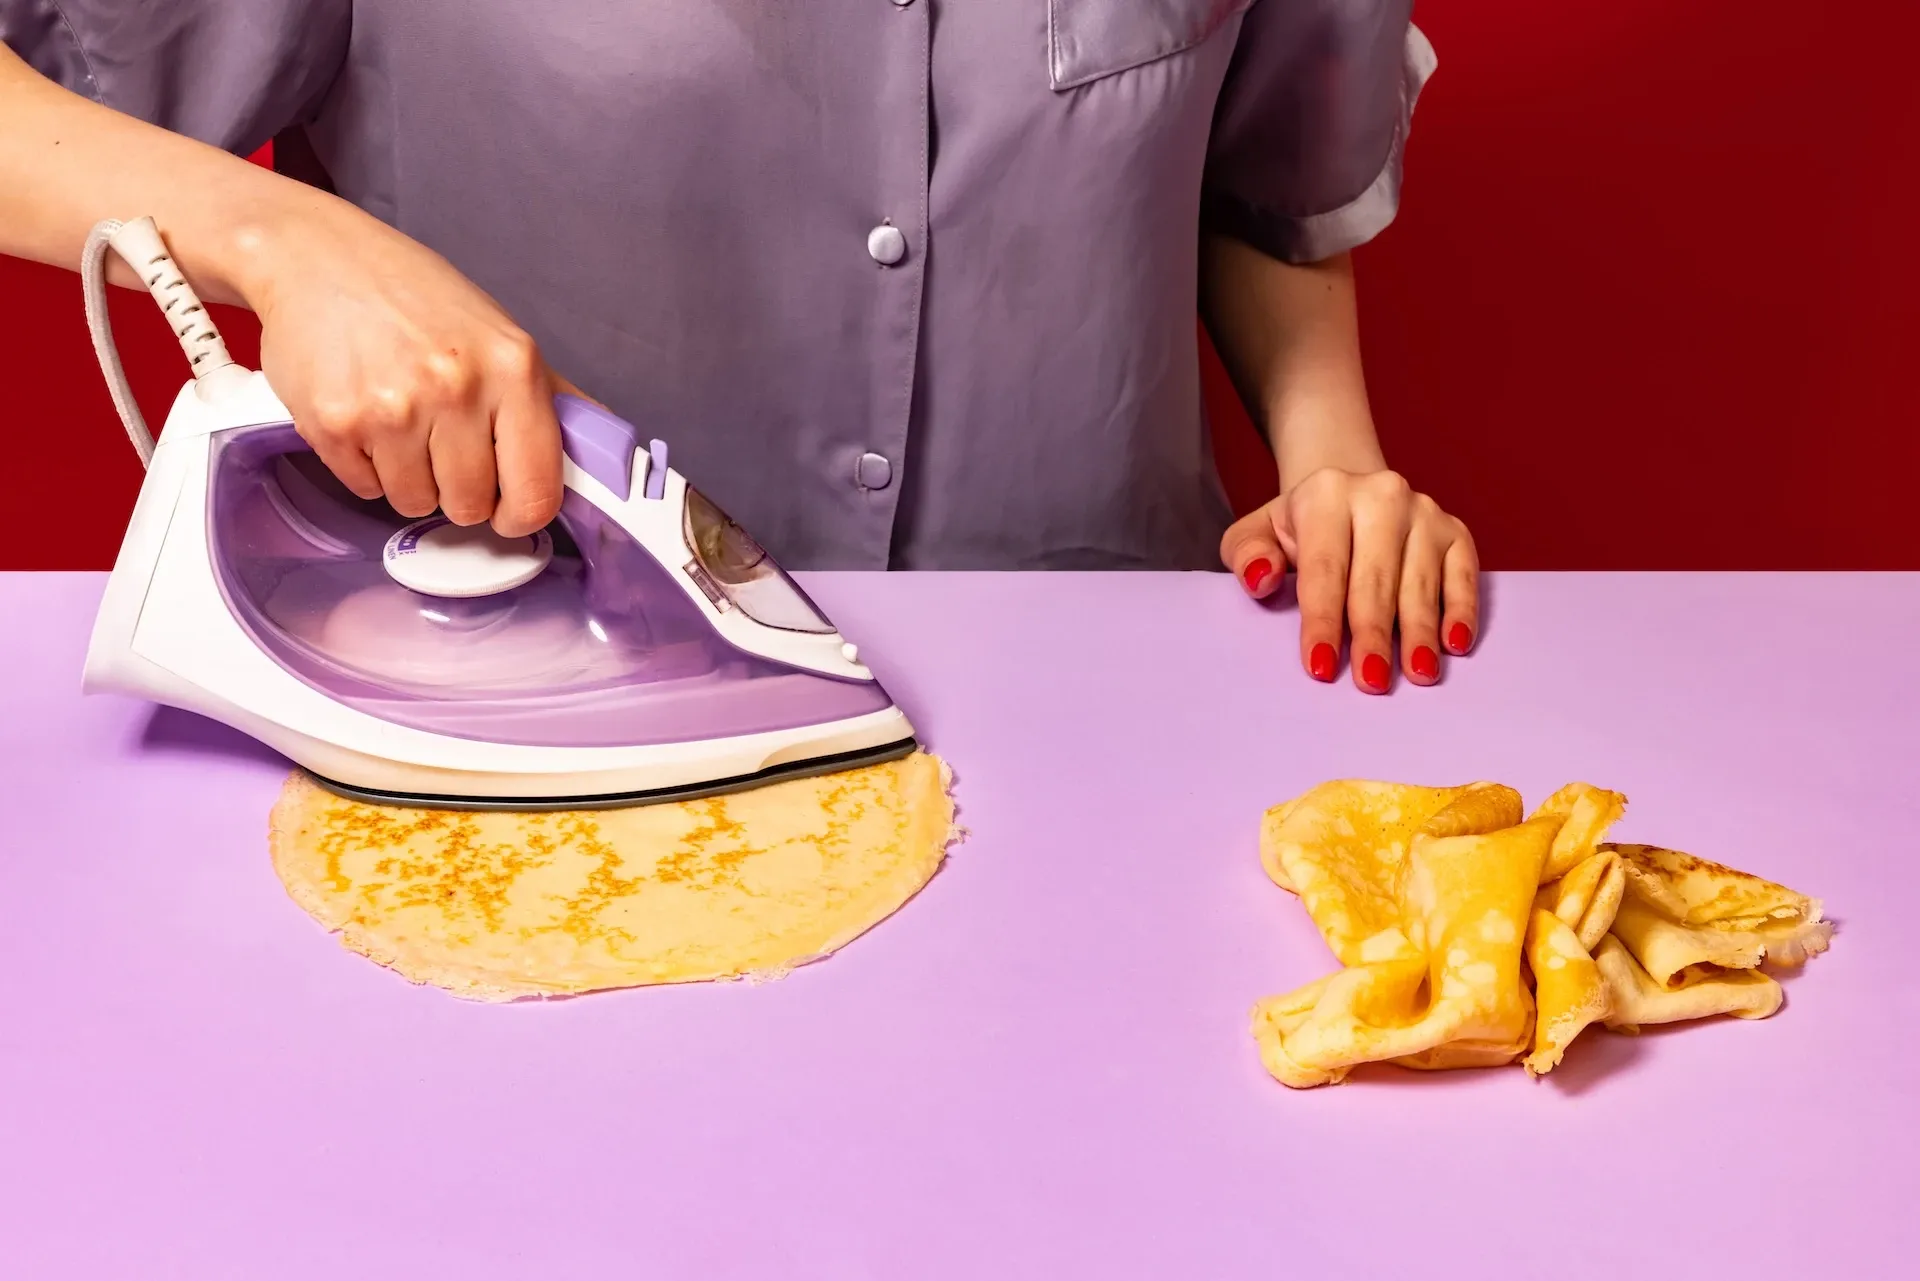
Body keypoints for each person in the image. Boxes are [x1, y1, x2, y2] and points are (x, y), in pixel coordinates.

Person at [1, 1, 1477, 693]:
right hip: (522, 707)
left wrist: (1334, 462)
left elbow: (1262, 182)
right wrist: (284, 243)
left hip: (1106, 698)